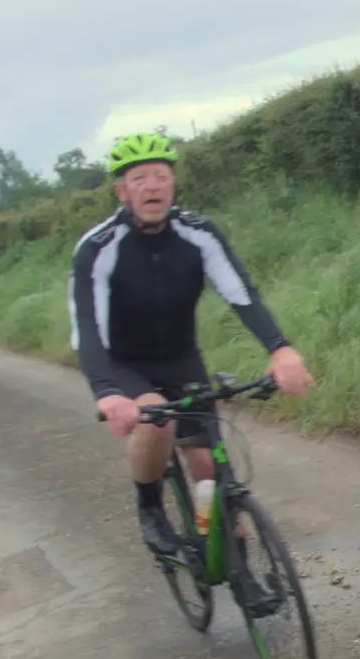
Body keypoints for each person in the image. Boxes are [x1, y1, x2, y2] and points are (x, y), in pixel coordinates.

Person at [69, 131, 313, 556]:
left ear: (173, 183)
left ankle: (218, 544)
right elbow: (86, 328)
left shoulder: (198, 232)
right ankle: (150, 508)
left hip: (182, 358)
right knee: (156, 423)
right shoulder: (98, 248)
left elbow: (241, 293)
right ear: (121, 190)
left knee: (208, 471)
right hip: (124, 363)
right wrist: (107, 393)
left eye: (161, 176)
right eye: (140, 178)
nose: (152, 186)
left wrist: (279, 348)